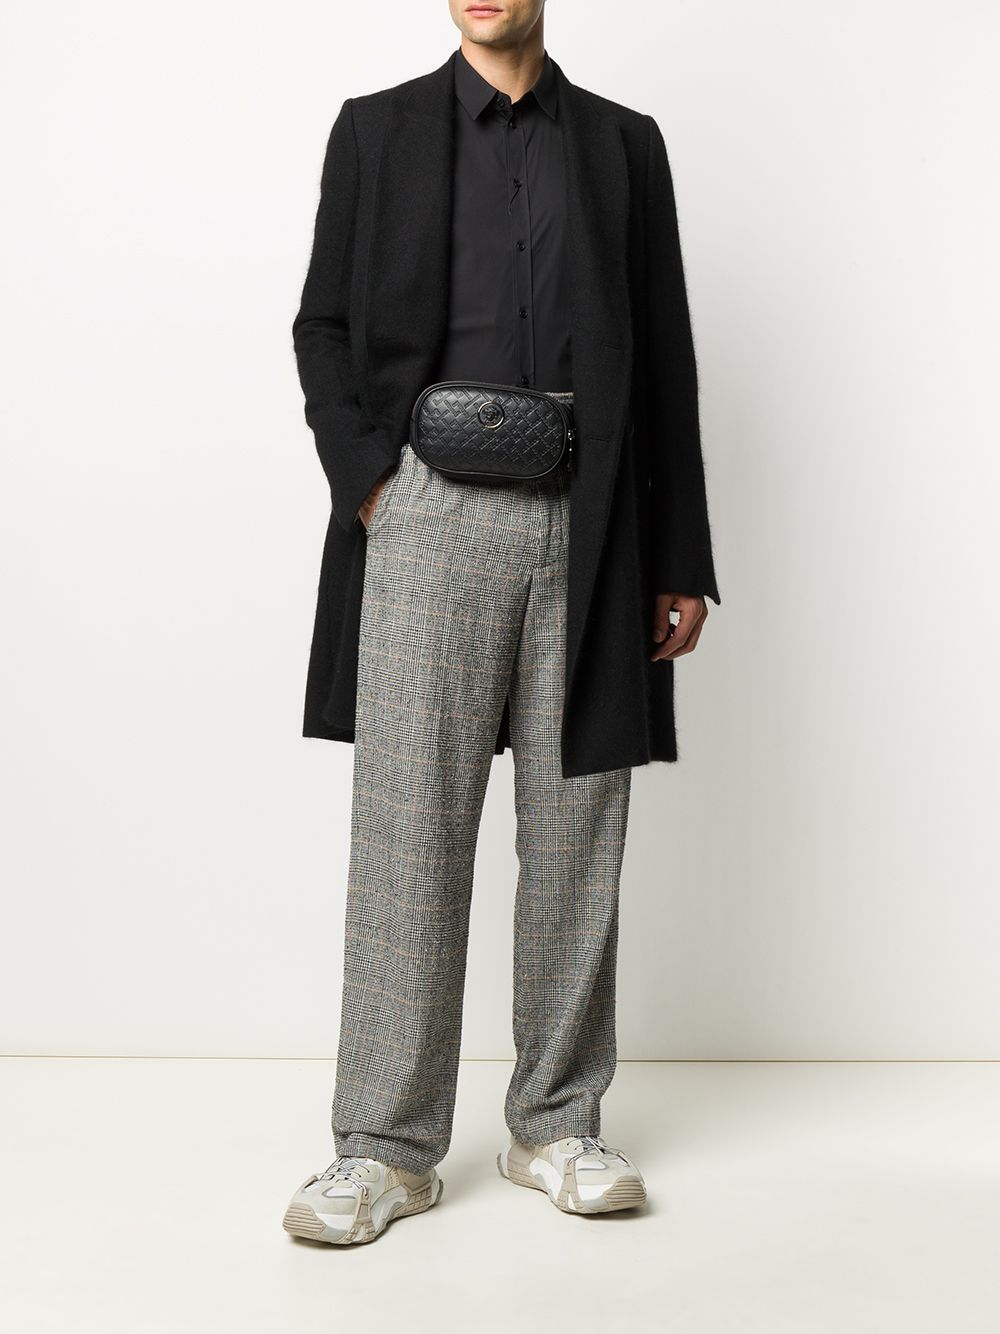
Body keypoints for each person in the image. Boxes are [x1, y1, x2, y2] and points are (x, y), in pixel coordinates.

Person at [283, 0, 721, 1247]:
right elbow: (322, 325)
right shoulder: (375, 132)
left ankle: (556, 1122)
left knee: (578, 827)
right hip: (425, 506)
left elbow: (665, 352)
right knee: (408, 831)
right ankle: (383, 1146)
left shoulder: (623, 143)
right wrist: (372, 481)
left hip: (592, 512)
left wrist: (677, 554)